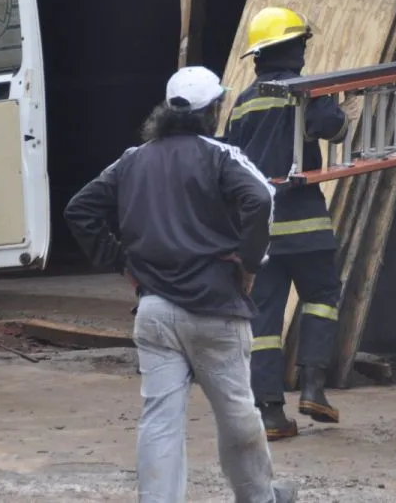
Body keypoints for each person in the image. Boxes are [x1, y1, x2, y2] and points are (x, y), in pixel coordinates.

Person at [64, 66, 296, 503]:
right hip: (216, 309)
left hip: (155, 312)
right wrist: (249, 264)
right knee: (236, 415)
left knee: (160, 419)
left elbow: (80, 209)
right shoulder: (220, 154)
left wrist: (120, 262)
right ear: (214, 111)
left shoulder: (132, 160)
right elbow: (261, 197)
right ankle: (259, 497)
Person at [223, 7, 351, 441]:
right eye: (302, 44)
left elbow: (228, 163)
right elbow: (332, 129)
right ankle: (313, 386)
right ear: (292, 50)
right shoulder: (306, 92)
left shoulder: (241, 105)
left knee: (264, 320)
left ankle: (271, 414)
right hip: (306, 226)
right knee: (322, 295)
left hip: (260, 235)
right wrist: (341, 112)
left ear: (258, 57)